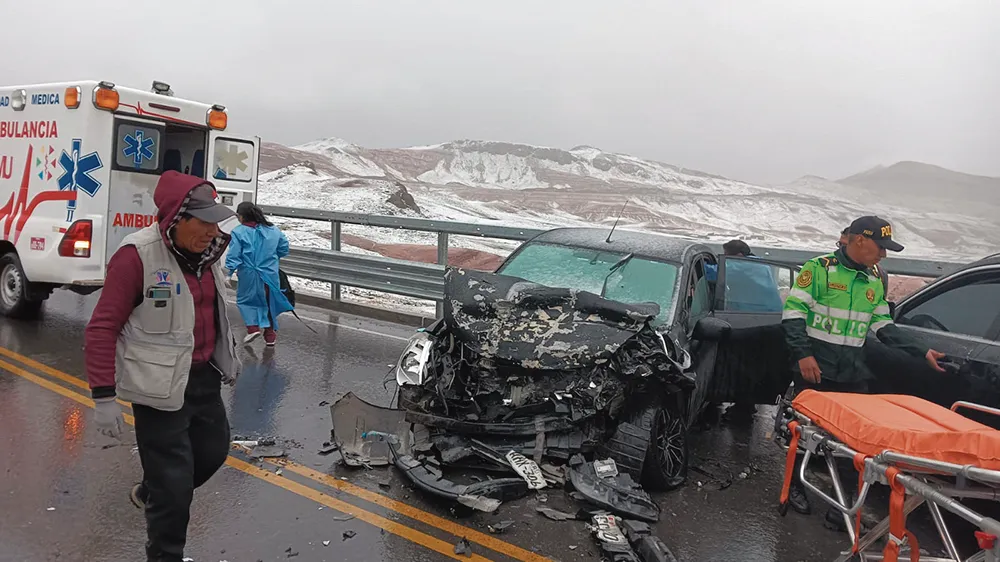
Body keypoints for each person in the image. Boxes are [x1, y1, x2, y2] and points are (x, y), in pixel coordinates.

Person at [84, 171, 241, 562]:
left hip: (204, 380)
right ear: (175, 218)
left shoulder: (209, 256)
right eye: (202, 222)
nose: (211, 231)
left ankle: (151, 492)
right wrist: (103, 396)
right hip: (157, 389)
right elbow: (102, 327)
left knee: (213, 453)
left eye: (215, 222)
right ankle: (165, 554)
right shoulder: (136, 256)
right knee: (174, 487)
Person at [782, 215, 945, 528]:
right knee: (802, 435)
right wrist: (803, 355)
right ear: (859, 240)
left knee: (853, 445)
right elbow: (792, 313)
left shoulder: (872, 279)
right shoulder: (818, 269)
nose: (883, 255)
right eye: (880, 247)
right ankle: (793, 489)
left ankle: (841, 508)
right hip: (815, 368)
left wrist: (921, 352)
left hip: (851, 372)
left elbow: (883, 325)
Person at [225, 202, 294, 347]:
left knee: (246, 300)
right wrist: (271, 258)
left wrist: (229, 272)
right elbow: (283, 248)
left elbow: (234, 254)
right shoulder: (273, 230)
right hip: (270, 273)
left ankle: (253, 328)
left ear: (241, 216)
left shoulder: (239, 232)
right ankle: (270, 335)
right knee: (269, 302)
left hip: (249, 274)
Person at [840, 226, 888, 296]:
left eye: (845, 246)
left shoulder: (879, 274)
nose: (841, 250)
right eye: (840, 245)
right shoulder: (823, 269)